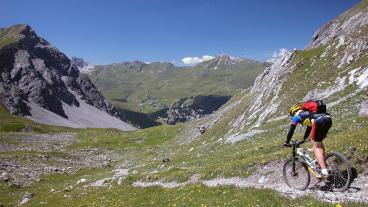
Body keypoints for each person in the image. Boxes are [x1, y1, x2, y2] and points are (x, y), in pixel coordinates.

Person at [284, 103, 332, 177]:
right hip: (328, 119)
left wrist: (287, 142)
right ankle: (322, 163)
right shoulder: (308, 113)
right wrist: (303, 139)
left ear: (293, 112)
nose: (292, 117)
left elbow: (291, 131)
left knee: (315, 147)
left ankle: (324, 170)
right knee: (319, 143)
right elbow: (309, 127)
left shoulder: (297, 115)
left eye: (291, 116)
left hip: (319, 121)